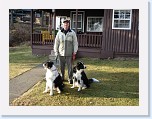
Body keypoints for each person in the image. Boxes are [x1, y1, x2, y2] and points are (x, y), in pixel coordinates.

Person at [54, 19, 78, 84]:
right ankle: (62, 78)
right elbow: (56, 43)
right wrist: (56, 51)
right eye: (64, 23)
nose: (66, 25)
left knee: (70, 67)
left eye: (67, 23)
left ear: (69, 24)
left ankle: (70, 78)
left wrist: (75, 51)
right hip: (61, 53)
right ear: (63, 24)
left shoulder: (72, 33)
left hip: (69, 53)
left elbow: (75, 43)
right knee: (61, 67)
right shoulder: (59, 33)